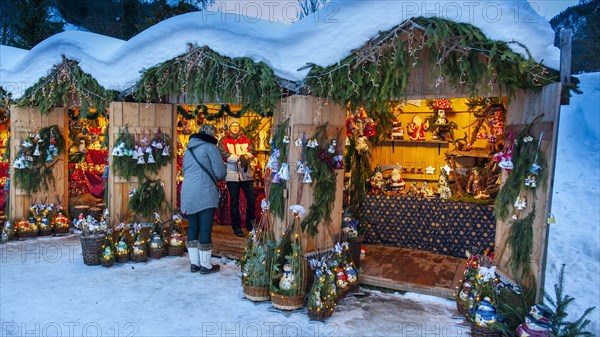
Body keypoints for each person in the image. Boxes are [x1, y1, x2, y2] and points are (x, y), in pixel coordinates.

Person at [180, 123, 226, 274]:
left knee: (193, 226)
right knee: (205, 228)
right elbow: (219, 173)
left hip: (188, 191)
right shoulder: (210, 148)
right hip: (205, 191)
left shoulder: (188, 150)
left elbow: (185, 170)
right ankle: (205, 265)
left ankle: (194, 264)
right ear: (212, 135)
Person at [218, 118, 256, 237]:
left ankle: (250, 224)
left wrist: (246, 156)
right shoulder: (224, 140)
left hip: (246, 175)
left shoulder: (247, 139)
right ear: (229, 128)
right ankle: (237, 227)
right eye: (233, 125)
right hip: (232, 175)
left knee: (251, 200)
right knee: (234, 202)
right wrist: (239, 158)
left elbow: (253, 151)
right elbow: (223, 154)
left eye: (237, 125)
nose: (235, 127)